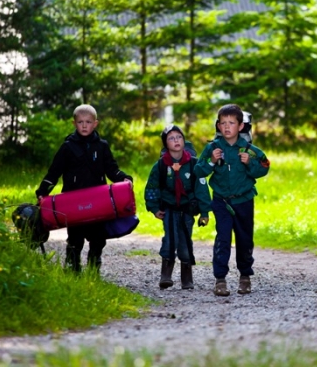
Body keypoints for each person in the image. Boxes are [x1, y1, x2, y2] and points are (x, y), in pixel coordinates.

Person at [35, 104, 133, 273]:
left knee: (98, 237)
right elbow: (54, 172)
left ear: (95, 123)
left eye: (88, 122)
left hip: (98, 201)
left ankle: (94, 265)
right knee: (75, 237)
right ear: (74, 124)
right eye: (81, 122)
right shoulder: (67, 147)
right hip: (74, 202)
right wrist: (42, 192)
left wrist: (124, 178)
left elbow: (111, 169)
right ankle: (73, 267)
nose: (84, 125)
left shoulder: (102, 146)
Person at [194, 104, 270, 296]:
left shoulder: (249, 150)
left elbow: (264, 166)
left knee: (245, 239)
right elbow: (198, 170)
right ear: (218, 126)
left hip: (244, 201)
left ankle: (245, 276)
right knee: (223, 238)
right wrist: (211, 161)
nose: (227, 127)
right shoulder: (212, 148)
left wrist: (250, 163)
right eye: (223, 123)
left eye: (232, 123)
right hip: (221, 202)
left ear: (241, 126)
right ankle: (220, 279)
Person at [144, 124, 212, 290]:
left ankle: (186, 277)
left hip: (187, 209)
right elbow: (152, 187)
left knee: (185, 241)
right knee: (169, 239)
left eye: (179, 137)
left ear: (184, 140)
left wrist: (204, 211)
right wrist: (153, 208)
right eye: (171, 138)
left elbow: (202, 189)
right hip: (168, 209)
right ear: (166, 144)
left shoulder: (194, 165)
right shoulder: (160, 166)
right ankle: (165, 275)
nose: (176, 140)